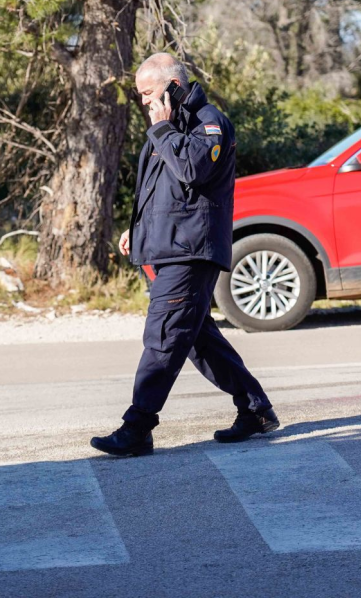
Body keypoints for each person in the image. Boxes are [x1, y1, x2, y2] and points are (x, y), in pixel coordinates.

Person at [90, 53, 280, 457]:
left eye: (148, 93)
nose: (144, 102)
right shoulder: (167, 129)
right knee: (198, 340)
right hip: (164, 248)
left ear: (172, 85)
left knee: (163, 336)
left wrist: (161, 128)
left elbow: (194, 170)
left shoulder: (208, 123)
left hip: (190, 252)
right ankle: (255, 410)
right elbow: (165, 192)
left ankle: (138, 426)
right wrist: (137, 229)